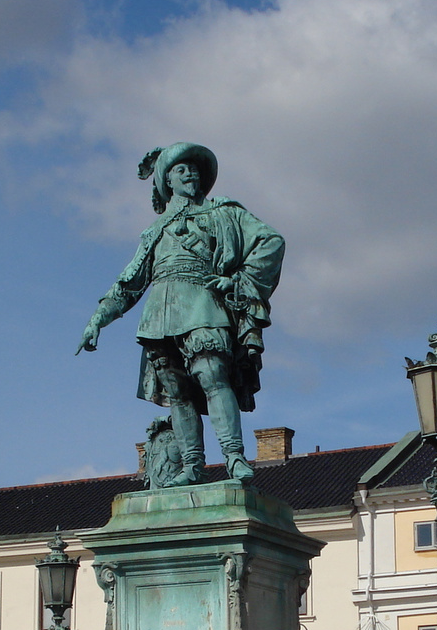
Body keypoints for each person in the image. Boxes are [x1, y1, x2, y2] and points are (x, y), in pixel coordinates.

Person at [80, 142, 285, 487]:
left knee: (213, 376)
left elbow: (271, 241)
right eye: (180, 169)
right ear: (167, 183)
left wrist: (238, 281)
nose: (190, 173)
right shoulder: (154, 231)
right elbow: (129, 284)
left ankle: (234, 458)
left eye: (194, 168)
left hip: (204, 304)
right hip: (160, 313)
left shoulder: (225, 212)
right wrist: (97, 320)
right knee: (179, 394)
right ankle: (193, 466)